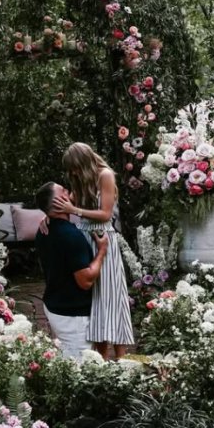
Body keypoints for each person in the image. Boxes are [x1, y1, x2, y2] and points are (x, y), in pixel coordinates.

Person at [51, 142, 135, 360]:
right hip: (85, 239)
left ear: (84, 161)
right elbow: (63, 204)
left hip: (103, 238)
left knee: (111, 297)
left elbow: (106, 214)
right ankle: (100, 358)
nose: (73, 173)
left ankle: (121, 358)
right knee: (94, 300)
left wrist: (74, 210)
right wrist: (47, 217)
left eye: (75, 168)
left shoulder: (105, 175)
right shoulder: (80, 179)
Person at [34, 181, 109, 359]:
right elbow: (86, 280)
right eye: (64, 191)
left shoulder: (44, 230)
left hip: (55, 304)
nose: (69, 192)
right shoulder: (70, 235)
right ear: (60, 201)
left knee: (65, 357)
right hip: (71, 314)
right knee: (78, 368)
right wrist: (102, 252)